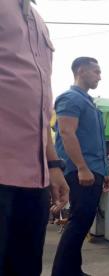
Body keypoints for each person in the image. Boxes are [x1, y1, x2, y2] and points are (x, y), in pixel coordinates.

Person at [0, 1, 69, 275]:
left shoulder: (38, 21)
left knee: (26, 266)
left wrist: (53, 165)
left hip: (33, 176)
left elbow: (41, 109)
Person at [52, 57, 109, 276]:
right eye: (96, 71)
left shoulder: (89, 102)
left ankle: (72, 270)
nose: (99, 76)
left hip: (93, 169)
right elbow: (67, 133)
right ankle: (62, 272)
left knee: (83, 220)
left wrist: (104, 172)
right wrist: (82, 167)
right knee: (79, 221)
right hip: (81, 171)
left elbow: (95, 142)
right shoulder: (70, 98)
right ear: (81, 71)